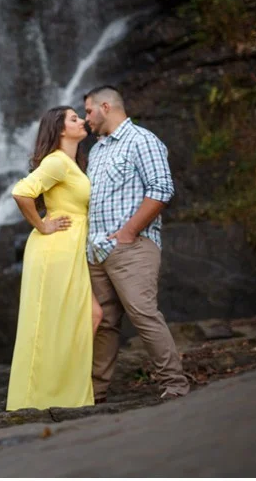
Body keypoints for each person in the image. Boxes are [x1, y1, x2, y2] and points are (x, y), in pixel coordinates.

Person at [83, 85, 190, 402]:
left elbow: (161, 188)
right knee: (105, 323)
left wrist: (129, 232)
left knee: (144, 314)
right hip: (97, 251)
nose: (85, 118)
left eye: (88, 111)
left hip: (132, 248)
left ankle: (175, 385)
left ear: (106, 106)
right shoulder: (99, 150)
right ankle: (95, 393)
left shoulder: (142, 140)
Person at [6, 106, 103, 411]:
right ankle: (41, 397)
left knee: (91, 316)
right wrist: (42, 224)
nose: (81, 121)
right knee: (54, 322)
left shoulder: (73, 164)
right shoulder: (57, 162)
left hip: (70, 249)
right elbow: (22, 192)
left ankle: (63, 389)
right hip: (55, 250)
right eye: (74, 118)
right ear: (60, 129)